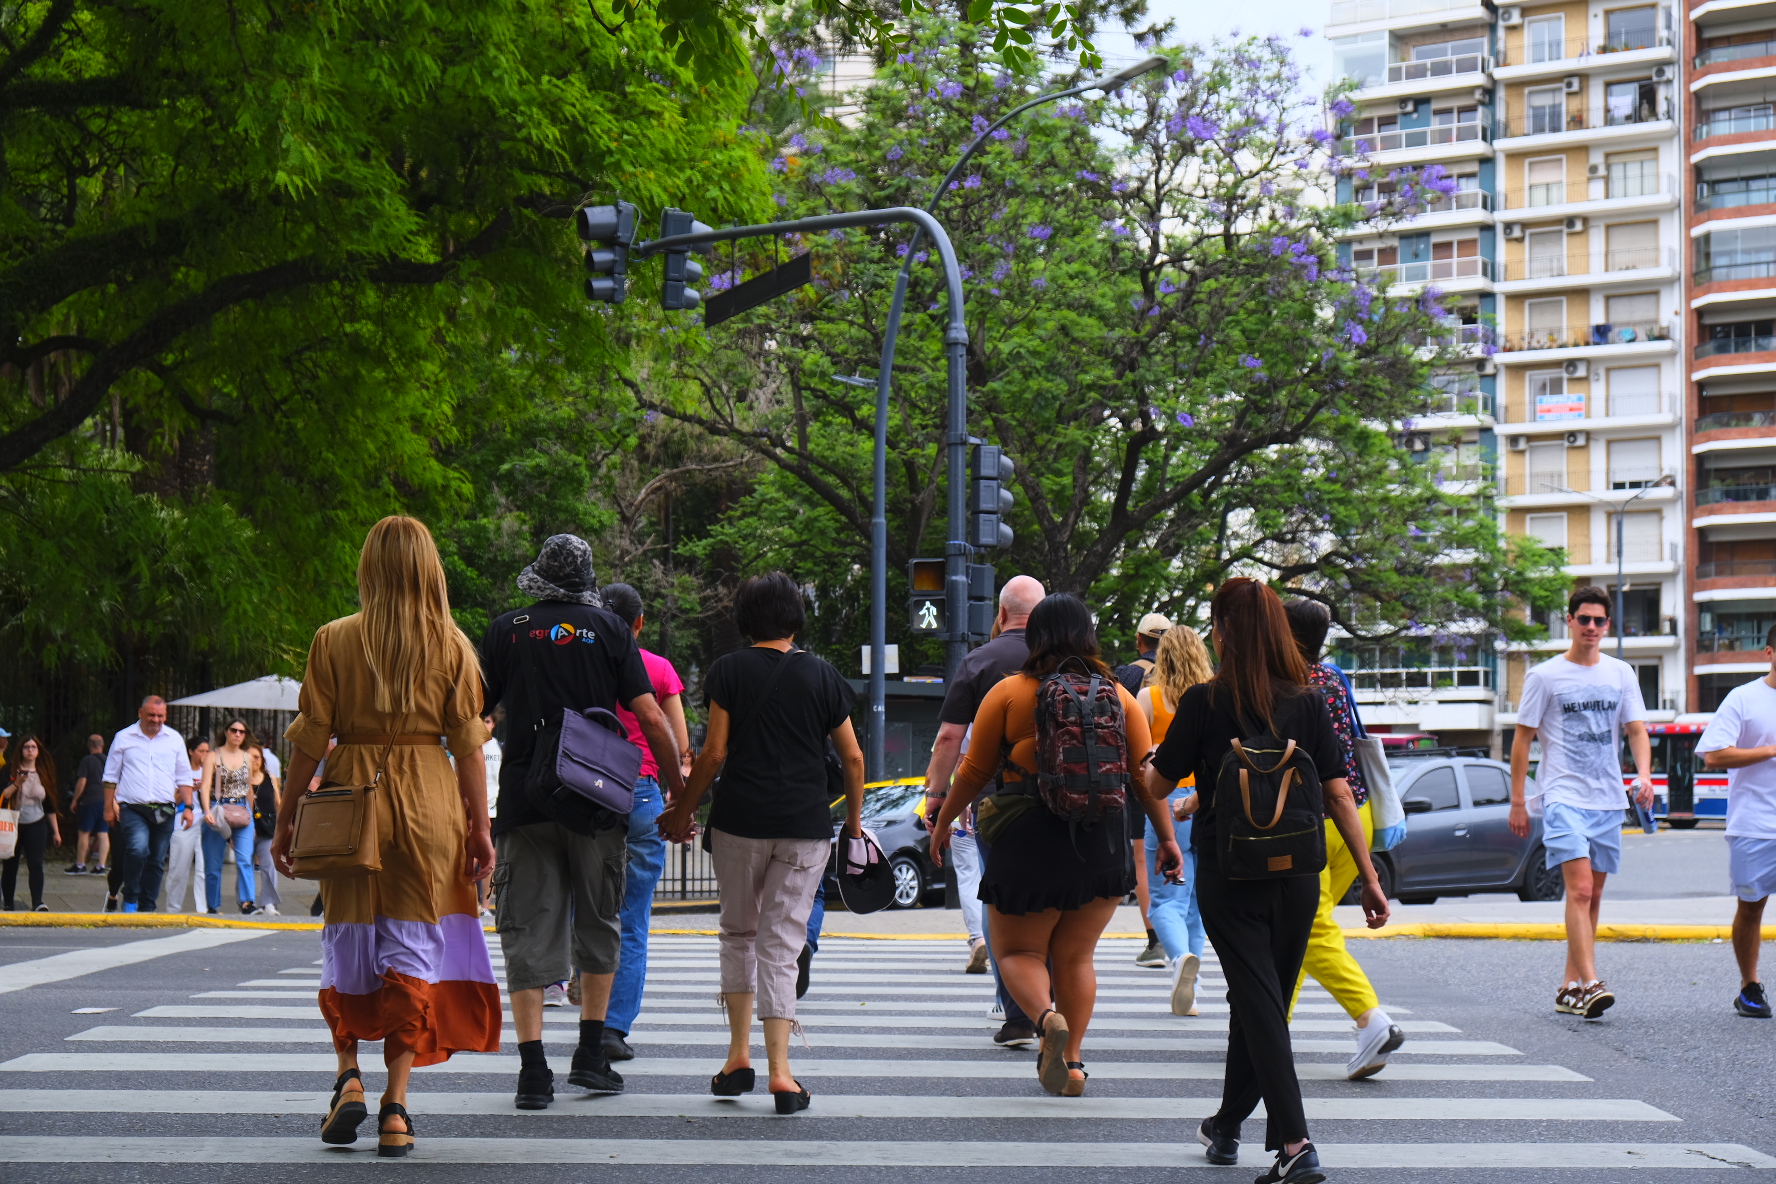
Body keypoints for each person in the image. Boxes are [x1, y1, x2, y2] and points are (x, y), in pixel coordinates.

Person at [270, 515, 500, 1158]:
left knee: (348, 937)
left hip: (349, 799)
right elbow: (470, 750)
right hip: (428, 802)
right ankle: (396, 1108)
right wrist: (480, 829)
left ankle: (348, 1077)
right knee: (411, 949)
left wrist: (286, 817)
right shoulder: (452, 646)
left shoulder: (333, 640)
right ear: (430, 568)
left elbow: (312, 738)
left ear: (369, 566)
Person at [1146, 578, 1388, 1182]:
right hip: (1298, 876)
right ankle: (1227, 1125)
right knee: (1261, 1004)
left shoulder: (1203, 701)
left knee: (1257, 1003)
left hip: (1231, 875)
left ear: (1223, 631)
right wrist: (1369, 876)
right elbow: (1337, 790)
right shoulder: (1305, 700)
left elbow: (1156, 785)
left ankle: (1295, 1144)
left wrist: (1148, 760)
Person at [933, 592, 1180, 1099]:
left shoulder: (1009, 692)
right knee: (1076, 958)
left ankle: (1046, 1020)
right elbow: (1144, 777)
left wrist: (941, 820)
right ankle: (1072, 1065)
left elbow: (975, 769)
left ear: (1036, 636)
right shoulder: (1119, 695)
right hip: (1103, 840)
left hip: (1026, 837)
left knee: (1018, 950)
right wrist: (1169, 840)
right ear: (1089, 636)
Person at [480, 535, 686, 1111]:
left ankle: (532, 1072)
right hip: (596, 800)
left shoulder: (506, 629)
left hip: (524, 802)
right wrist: (677, 796)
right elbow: (649, 714)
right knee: (600, 922)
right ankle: (591, 1057)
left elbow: (472, 712)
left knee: (527, 929)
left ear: (539, 576)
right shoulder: (611, 630)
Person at [657, 571, 865, 1116]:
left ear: (745, 619)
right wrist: (855, 824)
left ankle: (736, 1058)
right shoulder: (823, 676)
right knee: (782, 942)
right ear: (795, 616)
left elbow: (715, 754)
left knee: (738, 933)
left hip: (740, 822)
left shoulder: (729, 670)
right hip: (804, 825)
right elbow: (853, 758)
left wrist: (683, 811)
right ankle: (781, 1074)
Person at [1509, 585, 1653, 1020]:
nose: (1591, 627)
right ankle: (1591, 983)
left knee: (1594, 896)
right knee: (1581, 889)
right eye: (1584, 619)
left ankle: (1569, 986)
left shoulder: (1621, 673)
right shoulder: (1545, 676)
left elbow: (1636, 730)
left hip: (1608, 799)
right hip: (1563, 794)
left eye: (1599, 621)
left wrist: (1643, 776)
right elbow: (1522, 739)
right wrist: (1518, 799)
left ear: (1607, 626)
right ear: (1570, 621)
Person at [920, 574, 1047, 1045]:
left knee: (1001, 904)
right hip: (1064, 801)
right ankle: (1048, 1003)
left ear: (1000, 614)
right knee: (1051, 905)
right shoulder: (1066, 661)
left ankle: (1018, 1012)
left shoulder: (980, 662)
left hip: (998, 804)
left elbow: (951, 737)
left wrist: (938, 799)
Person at [1283, 600, 1404, 1080]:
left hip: (1318, 816)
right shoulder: (1333, 676)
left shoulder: (1288, 684)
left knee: (1308, 926)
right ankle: (1271, 1026)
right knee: (1301, 924)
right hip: (1357, 814)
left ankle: (1370, 1017)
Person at [598, 582, 692, 1063]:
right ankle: (613, 1028)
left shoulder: (585, 662)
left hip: (588, 791)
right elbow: (677, 741)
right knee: (632, 919)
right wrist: (681, 800)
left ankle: (585, 986)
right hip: (641, 792)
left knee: (589, 906)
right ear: (638, 623)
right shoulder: (657, 668)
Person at [1696, 624, 1776, 1019]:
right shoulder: (1743, 699)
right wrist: (1771, 750)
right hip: (1754, 824)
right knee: (1751, 907)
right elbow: (1713, 755)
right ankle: (1749, 987)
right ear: (1769, 653)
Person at [1135, 624, 1212, 1016]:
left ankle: (1180, 957)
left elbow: (1137, 757)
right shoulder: (1215, 697)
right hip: (1208, 802)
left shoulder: (1149, 699)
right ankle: (1191, 992)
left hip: (1169, 804)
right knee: (1197, 904)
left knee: (1165, 900)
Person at [103, 696, 198, 913]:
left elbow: (184, 777)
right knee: (137, 849)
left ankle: (147, 906)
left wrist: (190, 808)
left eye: (160, 716)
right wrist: (108, 807)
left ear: (165, 716)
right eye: (151, 715)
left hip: (164, 809)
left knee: (156, 860)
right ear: (140, 713)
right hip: (132, 807)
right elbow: (110, 776)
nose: (156, 720)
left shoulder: (174, 739)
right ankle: (131, 897)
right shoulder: (124, 737)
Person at [1116, 611, 1173, 968]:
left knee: (1143, 857)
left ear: (1140, 640)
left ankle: (1156, 940)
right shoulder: (1194, 675)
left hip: (1142, 779)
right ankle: (1185, 932)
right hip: (1190, 782)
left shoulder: (1126, 675)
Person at [198, 719, 261, 915]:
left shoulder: (247, 758)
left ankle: (247, 903)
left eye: (242, 732)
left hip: (242, 808)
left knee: (244, 858)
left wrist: (252, 816)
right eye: (234, 730)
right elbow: (205, 785)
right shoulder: (213, 756)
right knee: (213, 861)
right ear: (226, 732)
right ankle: (213, 905)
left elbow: (249, 789)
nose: (238, 734)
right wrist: (207, 810)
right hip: (218, 808)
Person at [2, 735, 59, 911]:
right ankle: (9, 902)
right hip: (13, 822)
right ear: (21, 750)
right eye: (27, 747)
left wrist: (56, 831)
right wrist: (17, 783)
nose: (30, 750)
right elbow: (4, 795)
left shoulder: (43, 773)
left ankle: (37, 902)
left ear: (38, 751)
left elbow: (49, 805)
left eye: (34, 747)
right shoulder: (10, 770)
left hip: (36, 822)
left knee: (35, 863)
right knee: (10, 865)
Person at [160, 738, 211, 915]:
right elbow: (173, 798)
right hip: (183, 819)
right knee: (178, 867)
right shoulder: (181, 771)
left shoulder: (209, 771)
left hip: (205, 819)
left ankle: (203, 907)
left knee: (203, 867)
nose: (205, 755)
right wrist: (191, 789)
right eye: (201, 751)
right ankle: (173, 907)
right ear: (191, 752)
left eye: (207, 751)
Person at [65, 734, 109, 875]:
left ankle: (80, 865)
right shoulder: (108, 761)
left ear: (89, 745)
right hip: (105, 800)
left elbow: (82, 781)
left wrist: (75, 799)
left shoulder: (87, 760)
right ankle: (101, 866)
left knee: (84, 832)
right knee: (103, 833)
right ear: (102, 745)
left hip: (89, 800)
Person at [249, 745, 282, 916]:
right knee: (245, 865)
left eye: (257, 757)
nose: (254, 760)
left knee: (268, 866)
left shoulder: (269, 778)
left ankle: (269, 903)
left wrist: (283, 825)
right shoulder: (241, 778)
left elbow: (278, 802)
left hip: (267, 827)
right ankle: (248, 903)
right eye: (250, 756)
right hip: (247, 827)